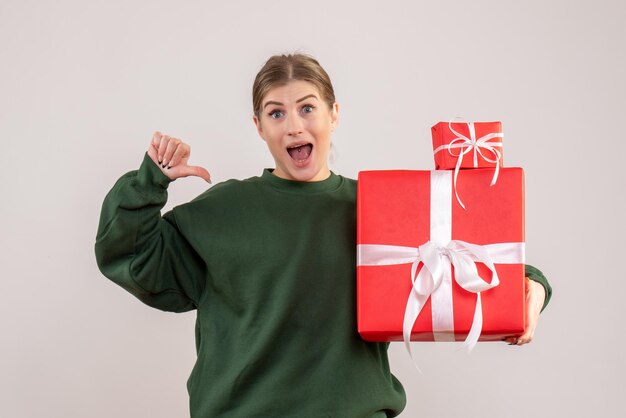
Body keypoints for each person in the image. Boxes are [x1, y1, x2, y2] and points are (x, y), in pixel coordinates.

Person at [94, 53, 552, 417]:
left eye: (307, 107)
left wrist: (529, 285)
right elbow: (133, 259)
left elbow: (466, 258)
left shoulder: (381, 209)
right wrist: (150, 181)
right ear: (259, 127)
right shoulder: (224, 210)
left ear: (334, 115)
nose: (294, 125)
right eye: (276, 113)